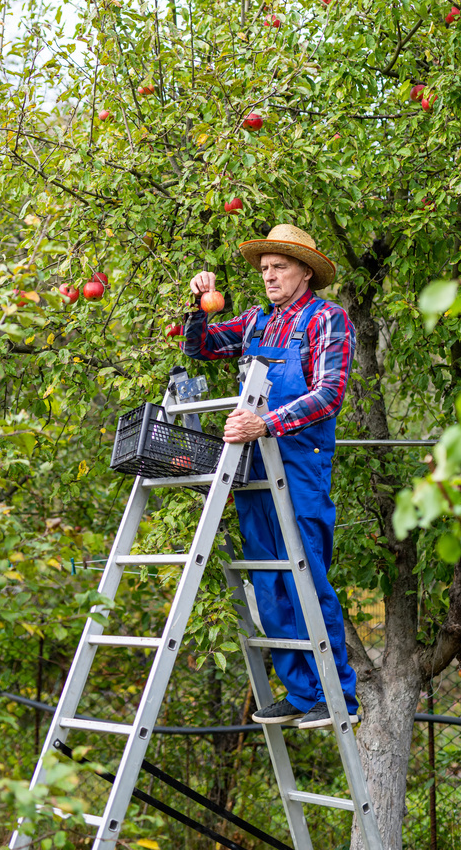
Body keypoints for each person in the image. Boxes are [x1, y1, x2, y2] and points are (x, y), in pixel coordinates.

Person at [183, 223, 358, 729]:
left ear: (306, 271)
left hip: (299, 462)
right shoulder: (256, 321)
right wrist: (199, 304)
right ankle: (302, 692)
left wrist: (266, 422)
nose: (269, 276)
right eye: (264, 269)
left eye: (280, 266)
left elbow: (329, 395)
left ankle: (337, 695)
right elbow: (201, 348)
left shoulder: (328, 319)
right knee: (267, 577)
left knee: (307, 573)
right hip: (253, 462)